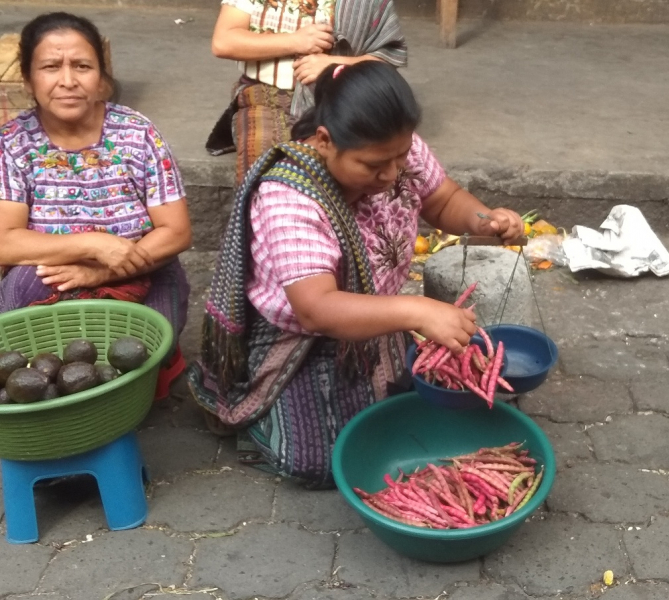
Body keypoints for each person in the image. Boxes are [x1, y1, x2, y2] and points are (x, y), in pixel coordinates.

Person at [187, 61, 524, 487]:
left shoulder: (394, 149)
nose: (392, 173)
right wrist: (416, 311)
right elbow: (317, 309)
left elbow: (441, 198)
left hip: (373, 314)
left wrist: (483, 220)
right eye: (373, 165)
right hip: (303, 336)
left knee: (407, 413)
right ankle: (257, 415)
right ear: (325, 142)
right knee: (321, 462)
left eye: (401, 157)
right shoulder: (288, 197)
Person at [0, 12, 192, 394]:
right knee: (29, 360)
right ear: (28, 79)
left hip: (140, 269)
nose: (68, 81)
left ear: (102, 79)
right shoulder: (13, 142)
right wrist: (92, 244)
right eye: (51, 67)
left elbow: (177, 232)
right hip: (52, 276)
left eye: (82, 66)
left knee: (144, 347)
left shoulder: (137, 133)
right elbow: (6, 240)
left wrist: (102, 272)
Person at [205, 0, 407, 185]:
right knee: (265, 164)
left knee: (364, 158)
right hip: (267, 95)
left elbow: (388, 60)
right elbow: (224, 42)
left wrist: (336, 64)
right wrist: (294, 41)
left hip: (343, 96)